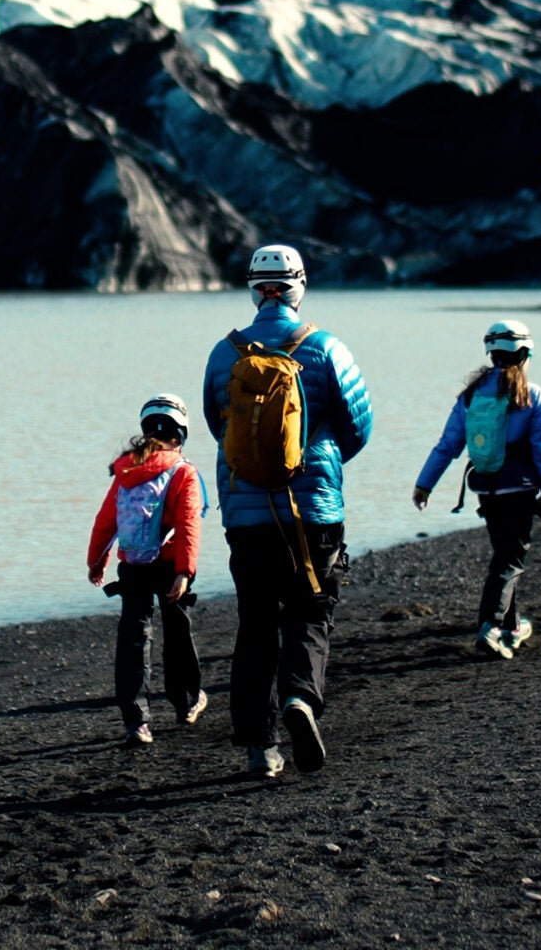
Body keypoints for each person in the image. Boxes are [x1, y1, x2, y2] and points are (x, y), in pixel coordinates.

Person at [204, 244, 373, 779]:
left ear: (253, 289)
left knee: (255, 624)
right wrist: (317, 460)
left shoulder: (224, 353)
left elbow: (218, 425)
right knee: (310, 610)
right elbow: (358, 427)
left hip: (246, 514)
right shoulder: (325, 348)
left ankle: (260, 746)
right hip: (313, 510)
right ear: (300, 286)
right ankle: (300, 699)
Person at [411, 320, 541, 659]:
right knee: (510, 560)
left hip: (487, 489)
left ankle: (512, 626)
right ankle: (490, 626)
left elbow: (448, 444)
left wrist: (425, 484)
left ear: (491, 354)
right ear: (525, 353)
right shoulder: (532, 395)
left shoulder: (471, 395)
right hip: (520, 490)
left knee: (504, 557)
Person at [86, 394, 211, 744]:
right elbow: (188, 523)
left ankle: (136, 721)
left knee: (134, 637)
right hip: (171, 564)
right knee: (177, 629)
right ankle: (186, 701)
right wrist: (185, 571)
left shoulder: (126, 471)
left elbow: (105, 520)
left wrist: (96, 562)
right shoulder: (183, 471)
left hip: (134, 565)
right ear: (181, 434)